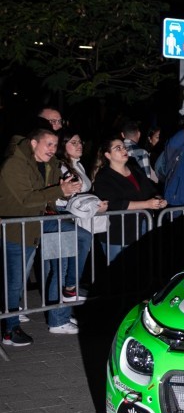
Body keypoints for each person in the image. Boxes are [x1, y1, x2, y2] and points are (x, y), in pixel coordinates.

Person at [1, 128, 82, 345]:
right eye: (49, 144)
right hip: (15, 230)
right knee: (14, 282)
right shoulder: (14, 165)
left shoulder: (49, 164)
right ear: (33, 143)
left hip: (35, 227)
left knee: (18, 281)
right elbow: (26, 200)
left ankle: (58, 314)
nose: (53, 149)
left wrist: (67, 187)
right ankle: (10, 330)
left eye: (55, 145)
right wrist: (59, 190)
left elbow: (49, 196)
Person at [91, 138, 166, 263]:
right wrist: (147, 204)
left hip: (142, 226)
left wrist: (159, 199)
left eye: (124, 147)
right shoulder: (104, 177)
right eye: (118, 148)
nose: (123, 150)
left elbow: (151, 190)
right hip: (118, 233)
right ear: (108, 155)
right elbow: (114, 203)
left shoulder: (134, 169)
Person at [53, 128, 106, 300]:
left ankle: (65, 304)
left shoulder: (78, 164)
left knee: (72, 254)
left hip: (76, 215)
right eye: (73, 143)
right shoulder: (60, 166)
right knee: (61, 264)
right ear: (63, 146)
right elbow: (61, 195)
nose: (79, 145)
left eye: (80, 142)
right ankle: (66, 295)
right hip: (63, 214)